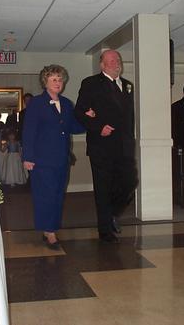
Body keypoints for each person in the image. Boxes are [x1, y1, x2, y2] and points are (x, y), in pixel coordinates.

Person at [75, 50, 138, 243]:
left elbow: (129, 117)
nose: (116, 63)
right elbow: (79, 112)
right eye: (111, 60)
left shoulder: (127, 85)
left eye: (117, 60)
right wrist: (98, 126)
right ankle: (105, 231)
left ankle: (111, 214)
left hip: (124, 147)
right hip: (101, 146)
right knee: (103, 189)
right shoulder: (91, 83)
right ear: (102, 65)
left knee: (130, 182)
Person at [22, 65, 86, 250]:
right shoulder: (36, 103)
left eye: (60, 79)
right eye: (54, 79)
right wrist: (28, 157)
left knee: (58, 195)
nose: (58, 83)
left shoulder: (66, 103)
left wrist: (88, 119)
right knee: (45, 196)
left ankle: (49, 228)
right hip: (42, 160)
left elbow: (73, 127)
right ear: (45, 82)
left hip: (62, 158)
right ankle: (50, 232)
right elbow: (29, 132)